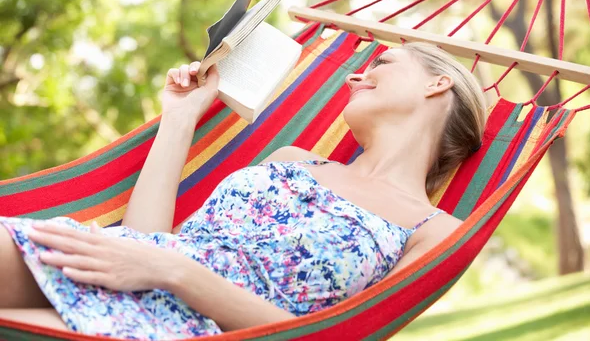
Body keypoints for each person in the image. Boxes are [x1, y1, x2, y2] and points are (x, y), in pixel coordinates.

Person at [0, 42, 486, 339]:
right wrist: (181, 116)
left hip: (187, 331)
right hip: (123, 264)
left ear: (437, 83)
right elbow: (149, 242)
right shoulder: (294, 160)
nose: (357, 75)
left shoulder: (437, 231)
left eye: (383, 62)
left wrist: (174, 272)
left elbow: (333, 339)